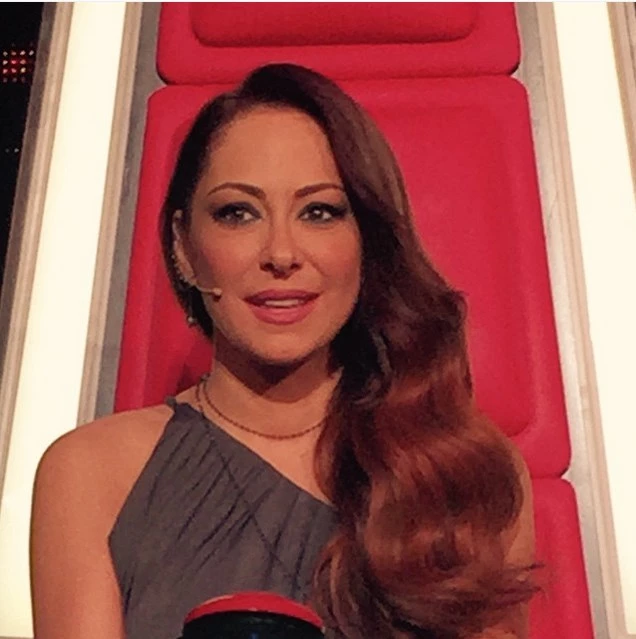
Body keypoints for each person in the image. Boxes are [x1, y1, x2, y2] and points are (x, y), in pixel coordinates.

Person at [30, 63, 537, 639]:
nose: (281, 253)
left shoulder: (467, 473)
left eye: (319, 212)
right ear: (184, 247)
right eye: (237, 213)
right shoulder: (91, 474)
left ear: (365, 241)